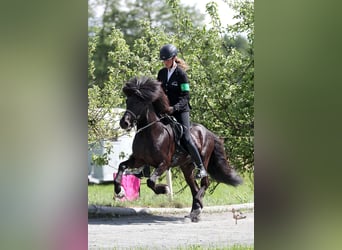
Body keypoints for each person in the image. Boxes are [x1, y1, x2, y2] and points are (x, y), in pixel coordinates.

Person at [157, 44, 208, 179]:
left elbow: (186, 96)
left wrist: (175, 108)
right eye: (163, 60)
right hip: (166, 110)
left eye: (167, 60)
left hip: (181, 110)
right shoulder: (161, 73)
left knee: (186, 137)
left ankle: (201, 167)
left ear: (173, 58)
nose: (165, 62)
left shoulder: (181, 74)